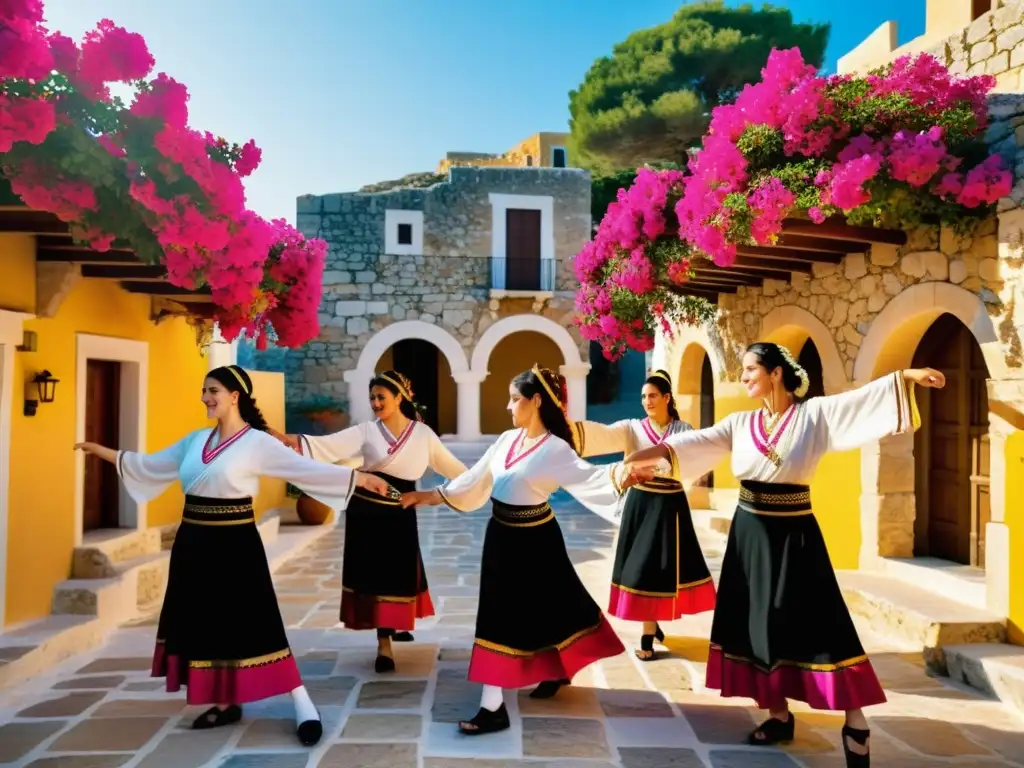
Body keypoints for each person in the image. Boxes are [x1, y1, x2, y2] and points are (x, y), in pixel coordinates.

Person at [623, 343, 945, 768]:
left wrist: (906, 377)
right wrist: (631, 461)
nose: (745, 377)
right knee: (758, 623)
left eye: (751, 369)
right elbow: (688, 445)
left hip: (795, 535)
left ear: (776, 373)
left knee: (822, 623)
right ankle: (777, 714)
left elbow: (858, 402)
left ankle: (856, 720)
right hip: (749, 535)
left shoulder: (814, 416)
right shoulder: (740, 423)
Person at [74, 365, 392, 748]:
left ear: (234, 396)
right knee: (206, 623)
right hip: (193, 544)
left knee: (258, 622)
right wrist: (101, 452)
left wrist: (358, 478)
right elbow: (149, 464)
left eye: (213, 390)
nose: (206, 397)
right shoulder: (195, 441)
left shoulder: (257, 442)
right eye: (204, 390)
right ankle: (226, 703)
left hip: (236, 544)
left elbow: (305, 470)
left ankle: (302, 702)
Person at [400, 365, 647, 736]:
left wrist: (623, 474)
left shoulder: (556, 449)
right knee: (520, 612)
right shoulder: (505, 440)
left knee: (542, 609)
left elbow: (590, 476)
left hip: (536, 538)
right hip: (501, 536)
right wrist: (429, 495)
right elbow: (474, 479)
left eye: (515, 399)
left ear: (536, 402)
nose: (508, 406)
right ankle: (554, 672)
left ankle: (493, 707)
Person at [274, 370, 466, 673]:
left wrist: (477, 483)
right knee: (376, 578)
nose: (376, 403)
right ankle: (383, 645)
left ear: (399, 398)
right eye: (372, 398)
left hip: (401, 513)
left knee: (400, 574)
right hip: (368, 514)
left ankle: (396, 625)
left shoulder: (423, 435)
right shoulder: (366, 431)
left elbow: (456, 470)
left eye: (381, 397)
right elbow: (327, 446)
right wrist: (289, 440)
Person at [569, 369, 715, 661]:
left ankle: (651, 627)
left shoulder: (683, 430)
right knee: (643, 568)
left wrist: (660, 467)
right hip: (640, 505)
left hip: (670, 507)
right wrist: (565, 428)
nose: (647, 401)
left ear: (666, 398)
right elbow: (603, 435)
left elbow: (694, 462)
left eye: (652, 396)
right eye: (643, 397)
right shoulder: (632, 429)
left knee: (662, 570)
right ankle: (648, 633)